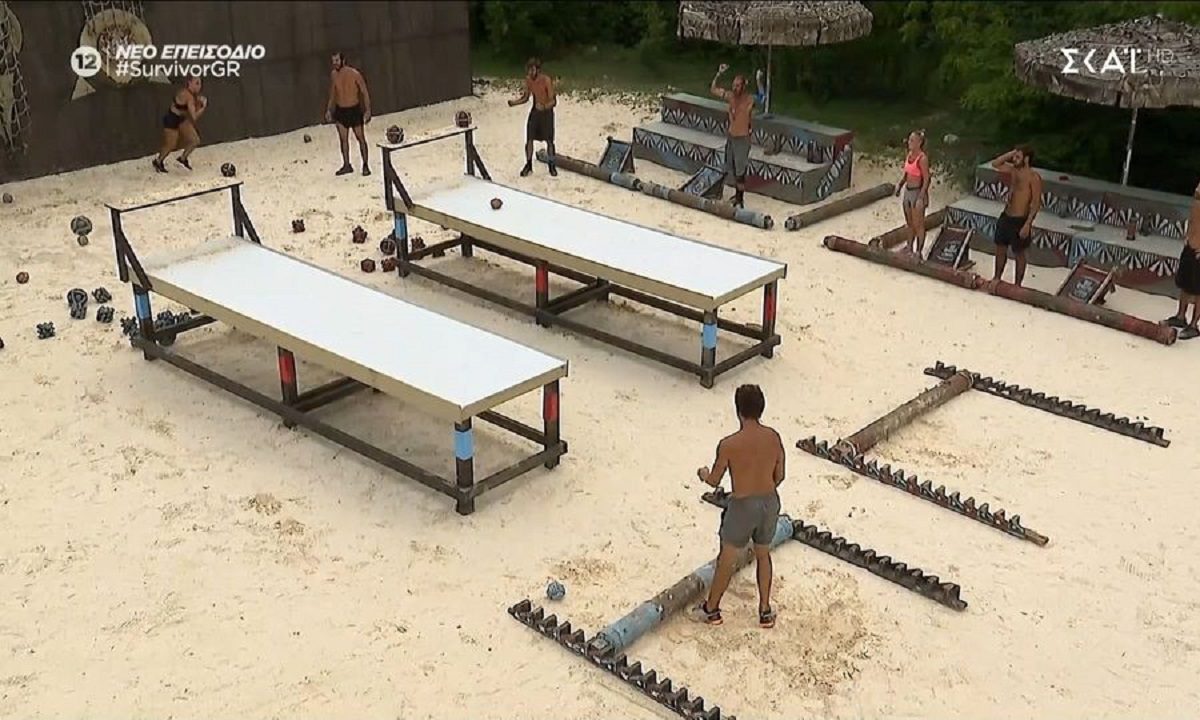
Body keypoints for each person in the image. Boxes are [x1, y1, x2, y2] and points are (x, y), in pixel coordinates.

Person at [695, 384, 785, 629]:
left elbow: (714, 480)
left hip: (743, 505)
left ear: (738, 411)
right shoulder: (773, 437)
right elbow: (780, 475)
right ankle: (765, 610)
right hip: (769, 501)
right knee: (763, 554)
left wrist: (703, 474)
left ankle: (712, 609)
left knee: (727, 558)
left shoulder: (729, 444)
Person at [709, 64, 765, 208]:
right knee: (732, 167)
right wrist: (719, 74)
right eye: (734, 85)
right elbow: (713, 89)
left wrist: (758, 81)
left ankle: (740, 199)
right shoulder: (730, 96)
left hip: (742, 139)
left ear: (743, 87)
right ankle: (737, 195)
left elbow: (762, 98)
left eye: (738, 85)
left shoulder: (749, 99)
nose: (735, 88)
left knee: (740, 170)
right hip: (731, 137)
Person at [987, 145, 1043, 289]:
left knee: (1019, 253)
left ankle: (1017, 284)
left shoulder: (1033, 177)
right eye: (1014, 157)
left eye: (1018, 157)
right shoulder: (1013, 170)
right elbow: (995, 163)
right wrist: (1012, 152)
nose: (1014, 159)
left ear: (1026, 159)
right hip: (1007, 215)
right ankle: (997, 277)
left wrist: (1028, 224)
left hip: (1020, 219)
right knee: (1000, 248)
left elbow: (1036, 203)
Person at [325, 52, 372, 176]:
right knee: (343, 139)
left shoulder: (354, 74)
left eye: (337, 60)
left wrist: (368, 110)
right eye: (333, 61)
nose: (335, 63)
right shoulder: (334, 75)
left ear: (343, 60)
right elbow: (333, 94)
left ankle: (365, 164)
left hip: (354, 109)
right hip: (341, 110)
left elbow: (364, 92)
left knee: (360, 138)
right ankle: (346, 164)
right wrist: (329, 109)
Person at [1164, 179, 1200, 339]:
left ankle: (1194, 325)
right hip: (1190, 244)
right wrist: (1187, 236)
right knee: (1184, 282)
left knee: (1198, 289)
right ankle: (1180, 316)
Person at [509, 58, 557, 177]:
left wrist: (544, 106)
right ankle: (528, 164)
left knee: (549, 141)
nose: (530, 72)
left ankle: (552, 165)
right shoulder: (529, 80)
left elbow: (553, 101)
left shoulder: (546, 80)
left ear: (538, 70)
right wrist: (514, 103)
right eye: (529, 69)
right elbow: (526, 97)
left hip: (547, 113)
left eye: (532, 69)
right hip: (535, 112)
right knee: (529, 138)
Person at [152, 75, 206, 173]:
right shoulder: (188, 96)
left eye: (200, 83)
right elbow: (194, 117)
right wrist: (203, 107)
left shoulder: (191, 95)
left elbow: (188, 108)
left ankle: (183, 158)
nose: (199, 86)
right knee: (170, 145)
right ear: (189, 83)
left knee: (195, 140)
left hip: (181, 119)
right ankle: (158, 161)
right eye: (197, 83)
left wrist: (197, 103)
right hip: (172, 119)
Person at [894, 130, 931, 257]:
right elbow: (907, 173)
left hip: (917, 191)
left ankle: (919, 251)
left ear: (919, 143)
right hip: (908, 191)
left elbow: (926, 179)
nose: (909, 142)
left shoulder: (922, 158)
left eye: (912, 140)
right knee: (909, 223)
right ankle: (909, 247)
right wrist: (900, 185)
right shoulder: (909, 155)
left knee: (918, 224)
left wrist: (921, 197)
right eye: (909, 140)